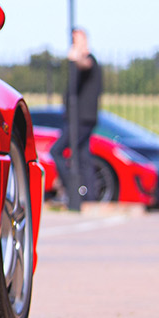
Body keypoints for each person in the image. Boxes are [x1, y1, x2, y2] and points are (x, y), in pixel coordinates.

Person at [51, 27, 102, 208]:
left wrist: (75, 57)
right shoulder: (79, 62)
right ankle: (89, 197)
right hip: (78, 117)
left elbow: (84, 63)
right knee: (82, 157)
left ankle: (70, 189)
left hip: (83, 118)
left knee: (56, 151)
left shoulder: (88, 60)